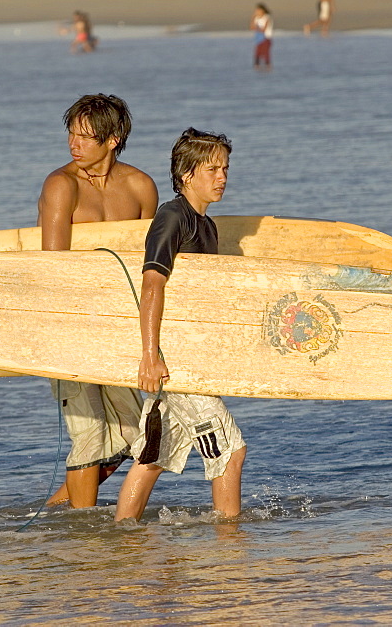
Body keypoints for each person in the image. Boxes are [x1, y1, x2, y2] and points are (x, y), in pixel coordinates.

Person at [115, 128, 246, 522]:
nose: (222, 176)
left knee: (153, 455)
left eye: (225, 168)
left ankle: (123, 538)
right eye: (212, 168)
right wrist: (149, 356)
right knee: (229, 451)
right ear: (186, 173)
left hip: (186, 359)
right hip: (171, 362)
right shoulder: (172, 217)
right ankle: (229, 552)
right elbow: (151, 283)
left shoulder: (206, 226)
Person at [38, 94, 160, 508]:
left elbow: (151, 264)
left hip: (120, 323)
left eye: (86, 137)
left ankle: (50, 513)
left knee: (132, 433)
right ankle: (82, 532)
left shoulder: (140, 186)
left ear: (113, 139)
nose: (74, 143)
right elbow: (55, 268)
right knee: (90, 436)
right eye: (71, 133)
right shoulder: (62, 185)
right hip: (69, 323)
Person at [250, 3, 273, 70]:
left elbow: (264, 29)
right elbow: (251, 27)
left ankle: (268, 66)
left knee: (266, 53)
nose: (256, 12)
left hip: (266, 37)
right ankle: (257, 66)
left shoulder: (267, 17)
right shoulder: (256, 18)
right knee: (257, 52)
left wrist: (256, 27)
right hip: (258, 37)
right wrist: (253, 18)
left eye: (258, 10)